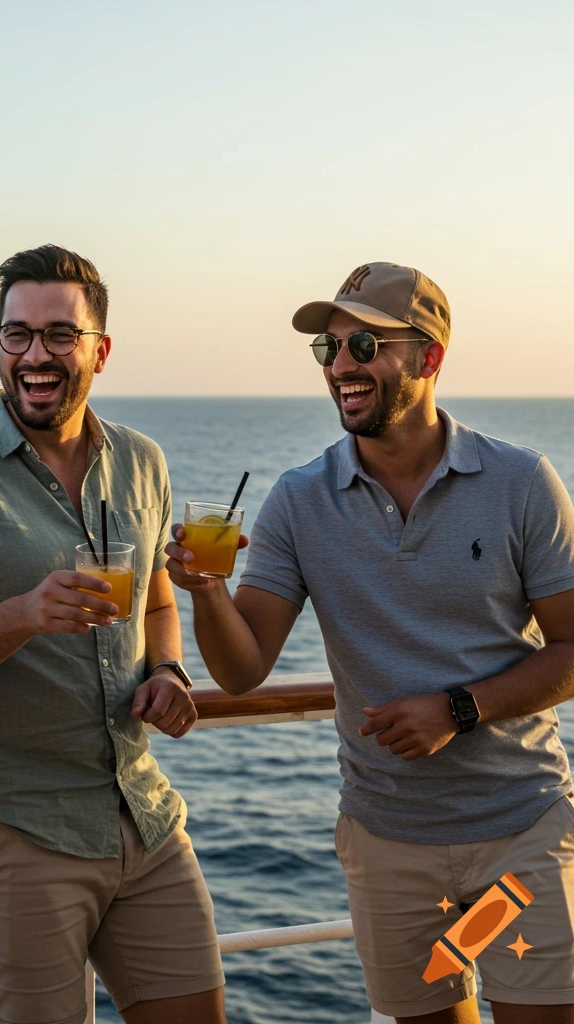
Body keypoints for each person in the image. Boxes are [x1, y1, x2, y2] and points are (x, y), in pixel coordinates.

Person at [165, 261, 574, 1024]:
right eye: (330, 349)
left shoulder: (521, 483)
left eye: (365, 345)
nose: (342, 367)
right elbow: (243, 668)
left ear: (429, 358)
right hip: (388, 844)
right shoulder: (298, 499)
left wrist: (458, 708)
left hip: (522, 832)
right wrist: (208, 592)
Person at [0, 244, 226, 1024]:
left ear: (101, 350)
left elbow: (160, 606)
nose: (35, 355)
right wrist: (25, 615)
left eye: (60, 335)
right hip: (14, 826)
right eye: (17, 334)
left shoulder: (141, 462)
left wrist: (169, 673)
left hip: (143, 815)